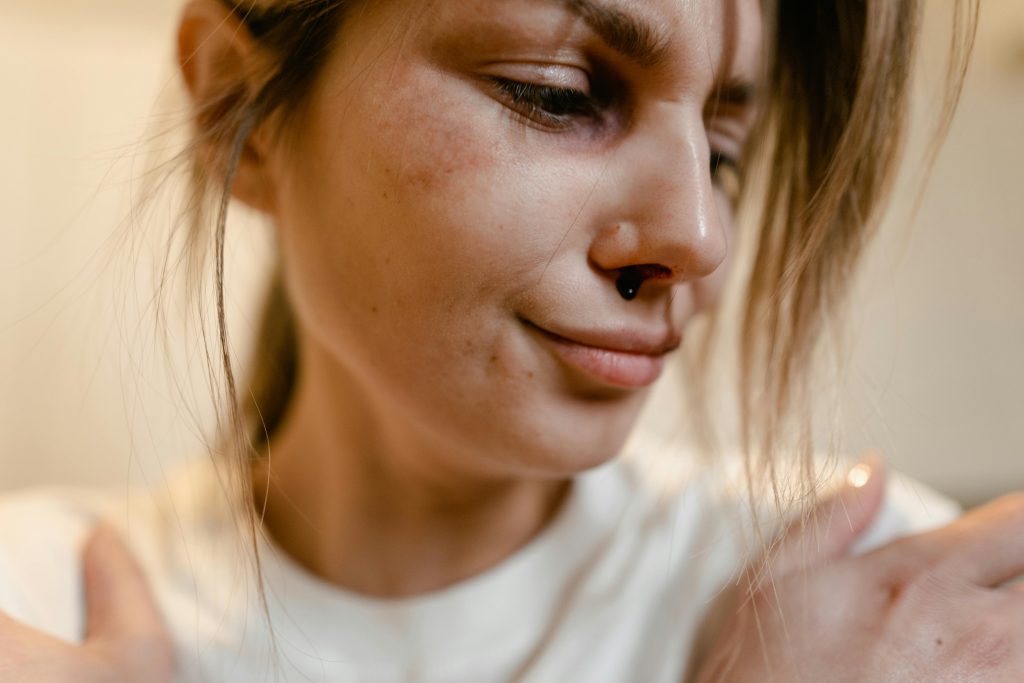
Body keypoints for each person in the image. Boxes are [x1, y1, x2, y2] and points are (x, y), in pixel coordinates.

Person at [0, 0, 1020, 681]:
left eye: (723, 153)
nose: (701, 237)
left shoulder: (877, 601)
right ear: (242, 109)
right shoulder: (39, 599)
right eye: (557, 95)